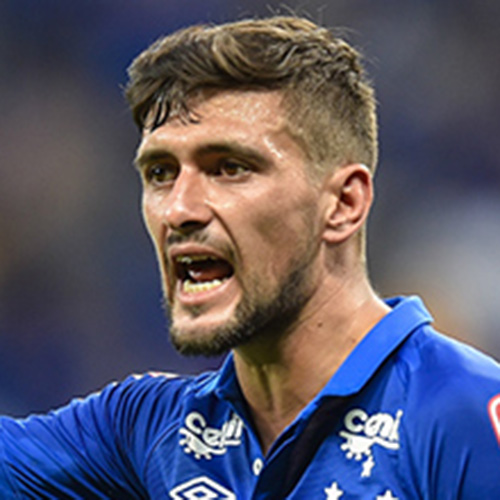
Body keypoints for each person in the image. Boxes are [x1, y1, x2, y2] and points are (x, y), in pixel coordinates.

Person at [0, 15, 499, 500]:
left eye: (230, 168)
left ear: (344, 204)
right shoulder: (146, 432)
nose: (179, 209)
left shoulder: (463, 411)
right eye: (160, 173)